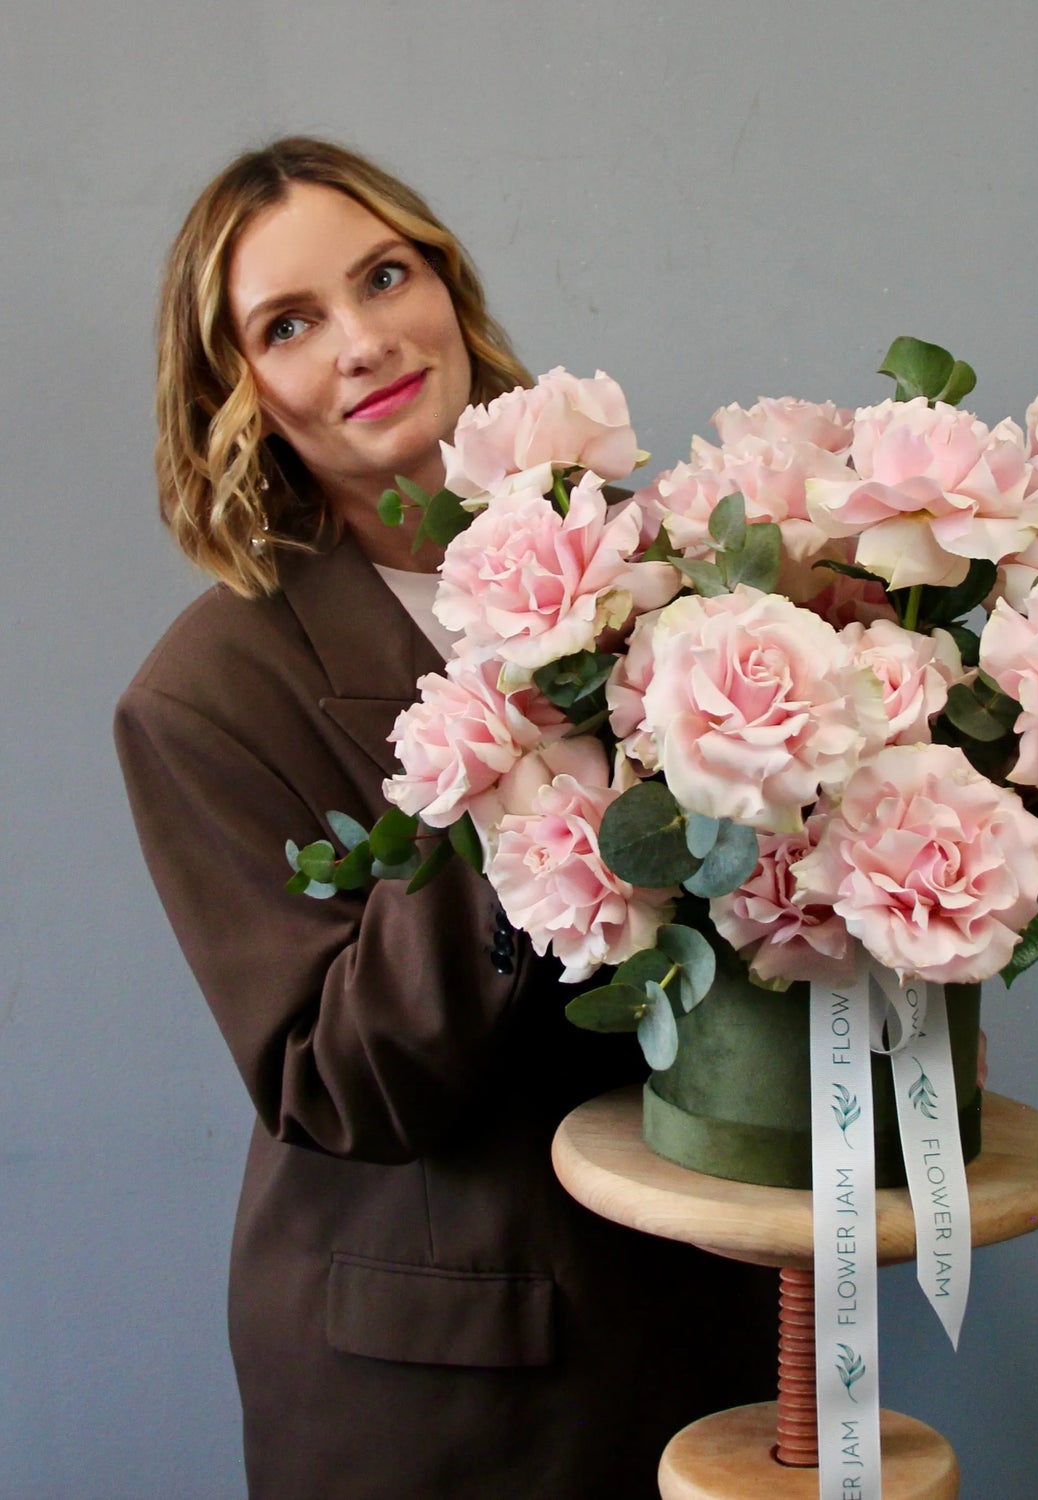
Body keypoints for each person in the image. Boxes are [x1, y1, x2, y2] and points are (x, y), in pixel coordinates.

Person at [115, 137, 776, 1500]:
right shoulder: (203, 696)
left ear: (448, 290)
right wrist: (517, 758)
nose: (359, 343)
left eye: (384, 276)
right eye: (289, 324)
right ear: (234, 391)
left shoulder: (656, 564)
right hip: (448, 1393)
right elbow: (337, 1084)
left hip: (708, 1303)